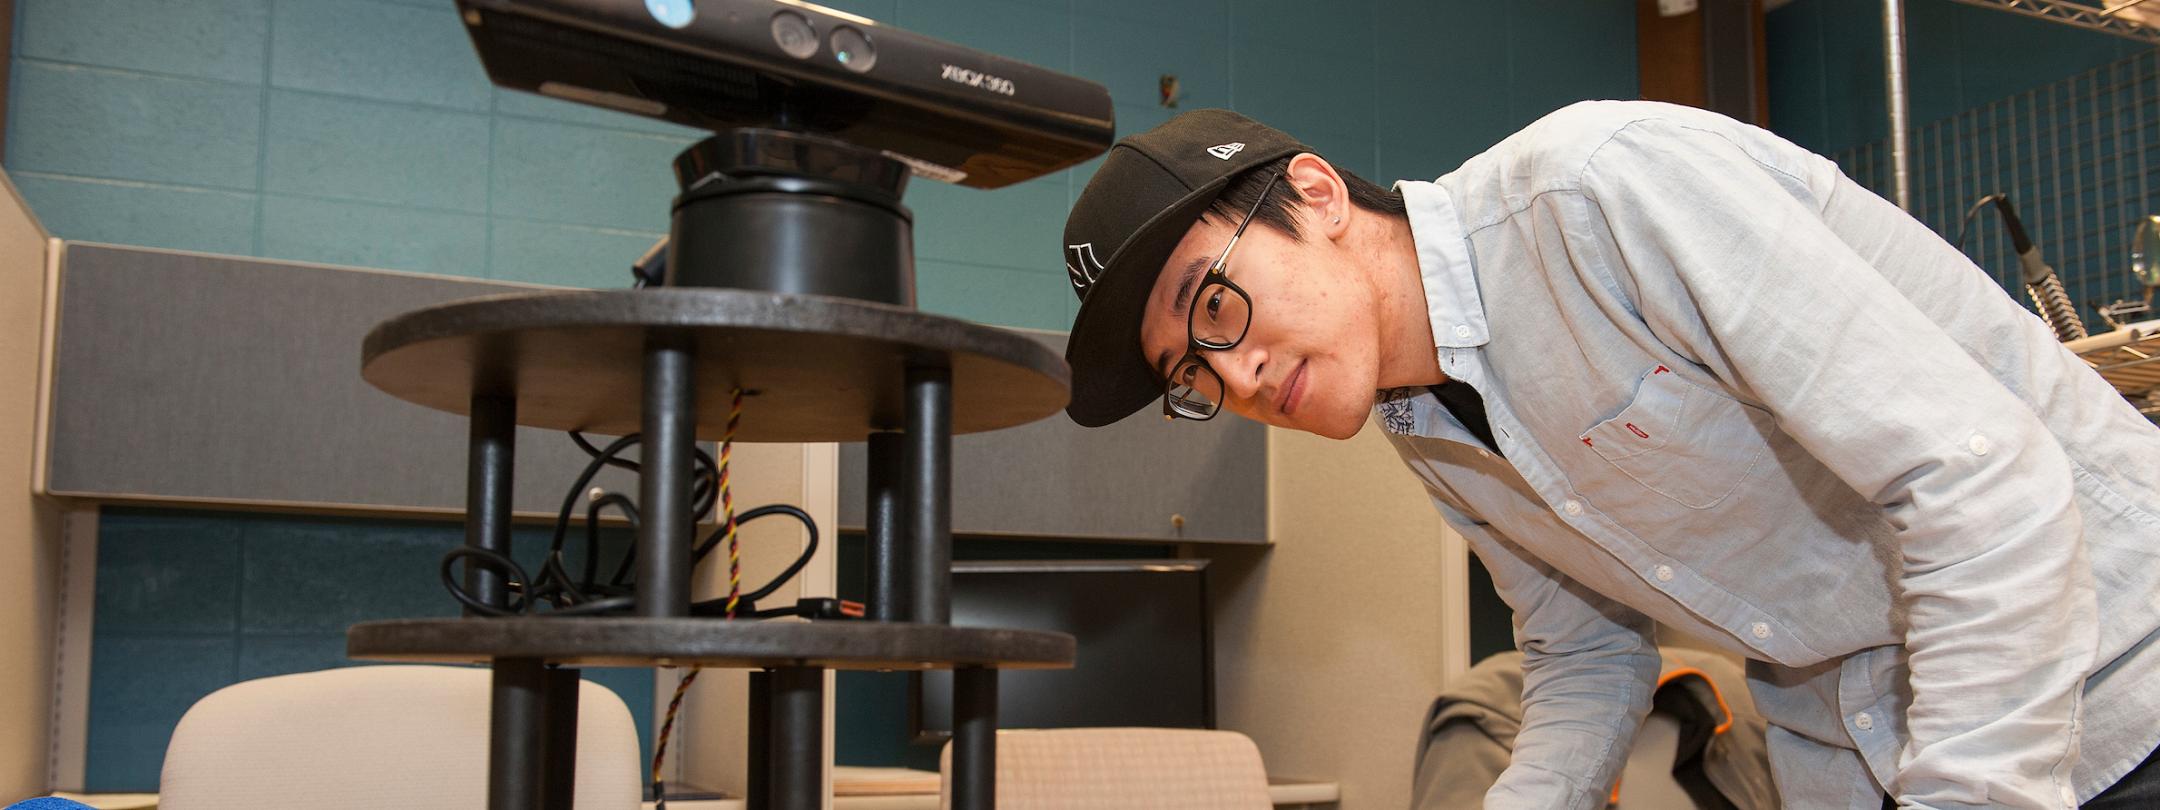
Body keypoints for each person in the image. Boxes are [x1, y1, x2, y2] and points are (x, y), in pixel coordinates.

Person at [1054, 101, 2160, 809]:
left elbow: (1976, 479)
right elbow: (1586, 658)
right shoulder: (1420, 419)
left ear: (1317, 192)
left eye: (1216, 303)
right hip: (1862, 755)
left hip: (2104, 689)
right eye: (1188, 376)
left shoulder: (1600, 195)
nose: (1234, 375)